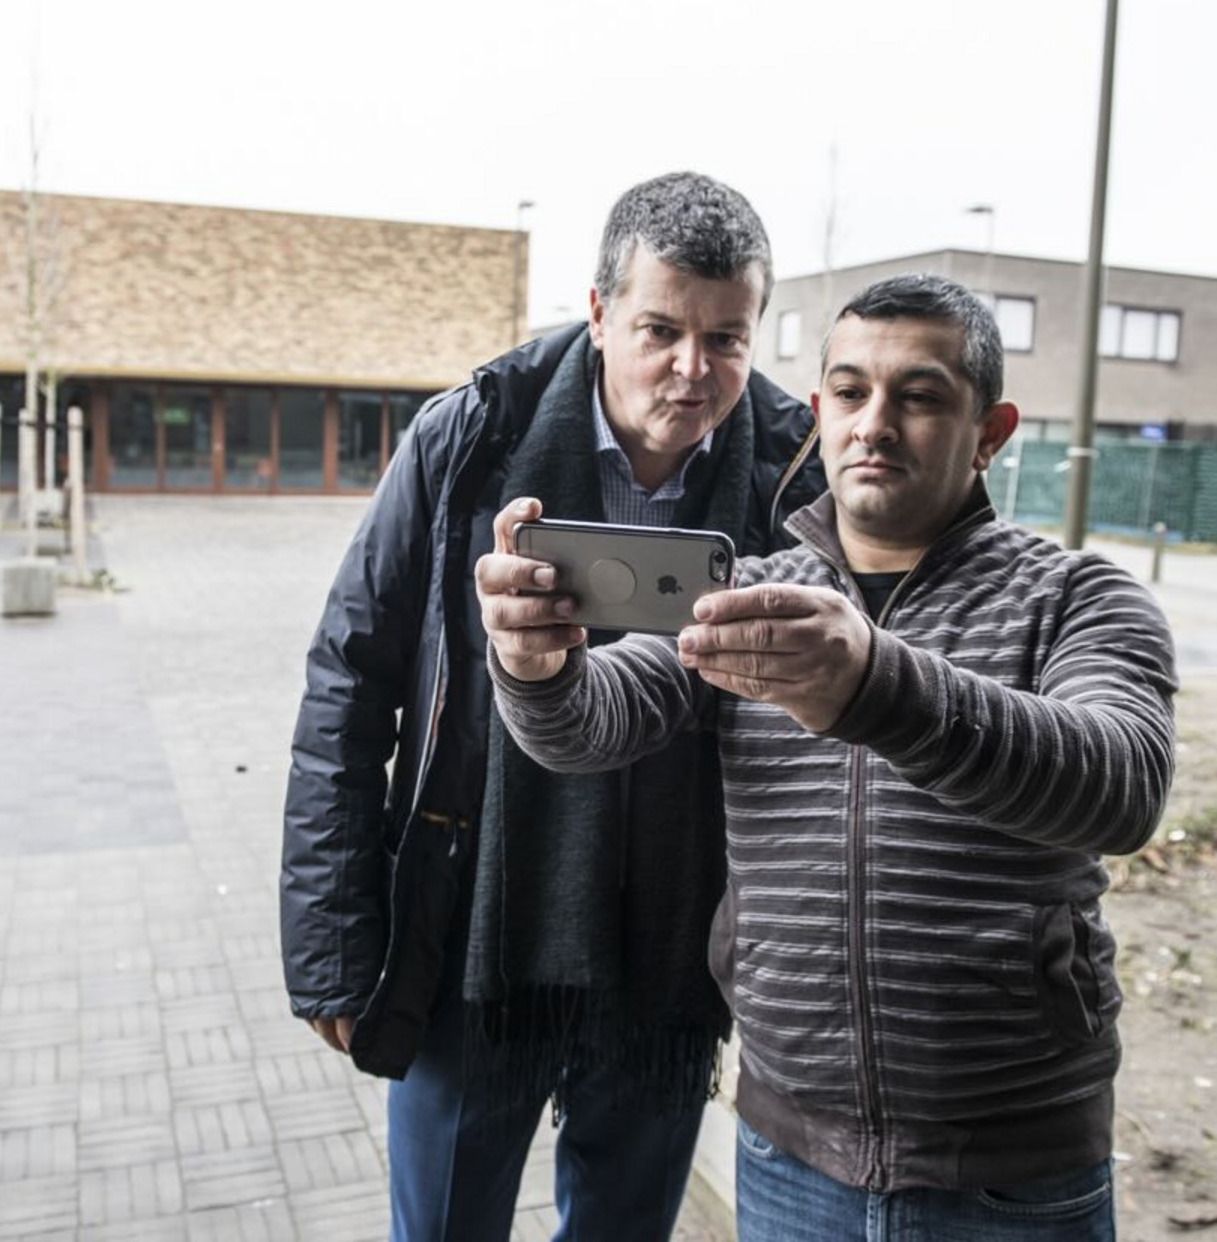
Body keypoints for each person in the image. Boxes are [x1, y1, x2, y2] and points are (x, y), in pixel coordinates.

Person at [478, 273, 1178, 1242]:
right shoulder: (754, 593)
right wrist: (533, 663)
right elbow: (588, 725)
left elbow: (1124, 785)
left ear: (992, 431)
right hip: (788, 1159)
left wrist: (876, 688)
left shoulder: (1081, 598)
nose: (875, 424)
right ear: (819, 413)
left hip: (1015, 1171)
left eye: (920, 396)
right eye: (849, 393)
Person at [281, 171, 825, 1240]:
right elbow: (351, 678)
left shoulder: (791, 465)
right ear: (597, 311)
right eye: (660, 329)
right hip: (473, 927)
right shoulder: (471, 435)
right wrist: (335, 943)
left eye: (727, 338)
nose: (692, 369)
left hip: (671, 949)